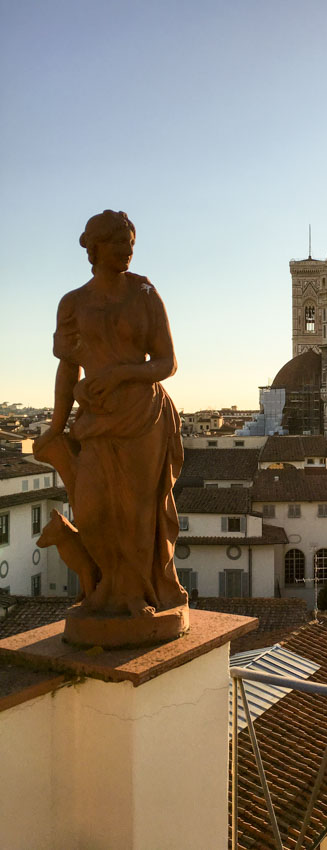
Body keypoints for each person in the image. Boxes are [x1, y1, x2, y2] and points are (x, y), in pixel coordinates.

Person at [35, 210, 187, 618]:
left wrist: (121, 375)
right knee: (92, 508)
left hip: (144, 415)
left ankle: (131, 594)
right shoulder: (73, 304)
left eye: (131, 245)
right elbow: (68, 368)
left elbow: (167, 362)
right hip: (96, 420)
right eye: (119, 244)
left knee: (137, 510)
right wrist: (55, 427)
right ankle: (110, 584)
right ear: (95, 247)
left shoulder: (145, 295)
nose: (127, 252)